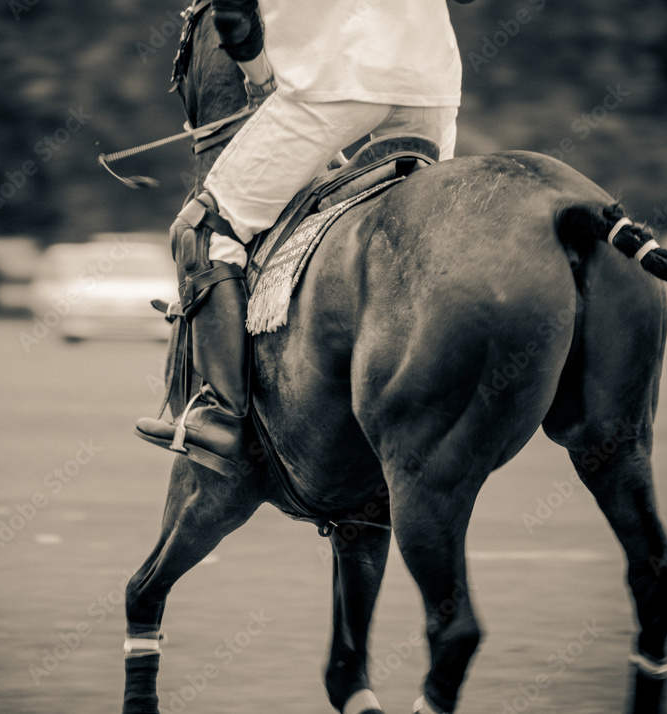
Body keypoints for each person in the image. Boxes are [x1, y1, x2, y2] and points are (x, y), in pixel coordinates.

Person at [135, 0, 463, 477]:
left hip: (332, 81)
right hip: (431, 85)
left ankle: (222, 418)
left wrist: (260, 77)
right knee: (417, 248)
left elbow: (230, 16)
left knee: (204, 229)